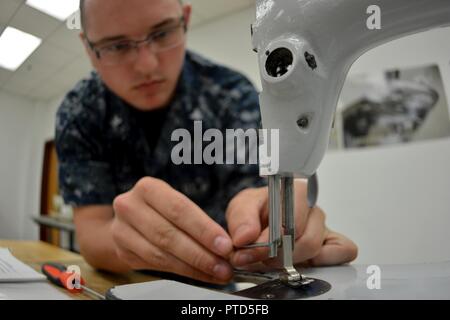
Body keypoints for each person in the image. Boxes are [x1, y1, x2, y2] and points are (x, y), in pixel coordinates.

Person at [55, 0, 358, 285]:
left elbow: (259, 192)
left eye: (162, 33)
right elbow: (92, 234)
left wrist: (280, 225)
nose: (146, 65)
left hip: (225, 287)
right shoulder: (80, 112)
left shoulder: (232, 94)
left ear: (185, 20)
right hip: (128, 282)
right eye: (117, 46)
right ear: (88, 46)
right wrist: (120, 243)